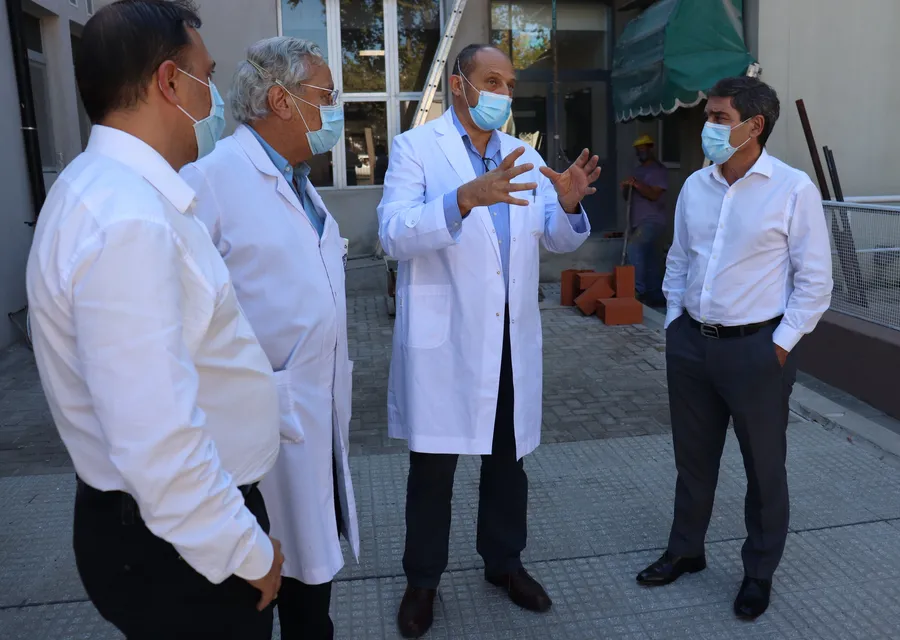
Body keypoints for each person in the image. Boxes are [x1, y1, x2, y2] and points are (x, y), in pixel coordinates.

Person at [25, 2, 285, 638]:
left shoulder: (107, 190)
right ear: (170, 82)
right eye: (208, 75)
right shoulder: (128, 221)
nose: (217, 96)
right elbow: (157, 440)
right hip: (177, 544)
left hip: (166, 527)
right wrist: (245, 550)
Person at [378, 43, 600, 638]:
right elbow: (392, 234)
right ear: (459, 85)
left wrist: (570, 204)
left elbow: (550, 238)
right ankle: (423, 581)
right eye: (491, 80)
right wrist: (462, 199)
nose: (503, 92)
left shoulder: (520, 154)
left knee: (509, 463)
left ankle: (504, 564)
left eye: (510, 82)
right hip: (445, 341)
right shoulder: (417, 149)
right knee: (433, 470)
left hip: (508, 338)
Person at [180, 36, 358, 640]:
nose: (336, 108)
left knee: (312, 584)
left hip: (314, 412)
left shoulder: (299, 181)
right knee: (264, 588)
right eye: (327, 96)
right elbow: (182, 324)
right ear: (281, 100)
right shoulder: (210, 181)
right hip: (259, 433)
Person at [636, 76, 833, 620]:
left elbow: (815, 282)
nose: (710, 126)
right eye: (710, 115)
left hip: (757, 352)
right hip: (692, 346)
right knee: (693, 462)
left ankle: (758, 572)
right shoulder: (697, 186)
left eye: (720, 117)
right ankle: (686, 551)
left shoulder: (793, 189)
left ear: (754, 126)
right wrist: (674, 322)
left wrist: (780, 346)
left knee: (764, 468)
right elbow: (680, 259)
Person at [620, 134, 670, 306]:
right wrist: (626, 188)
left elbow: (654, 194)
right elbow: (628, 198)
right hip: (637, 221)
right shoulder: (637, 171)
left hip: (652, 220)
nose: (641, 152)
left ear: (650, 148)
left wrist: (637, 185)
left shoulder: (658, 170)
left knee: (634, 248)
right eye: (638, 150)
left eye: (643, 148)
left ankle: (637, 290)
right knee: (650, 258)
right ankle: (655, 295)